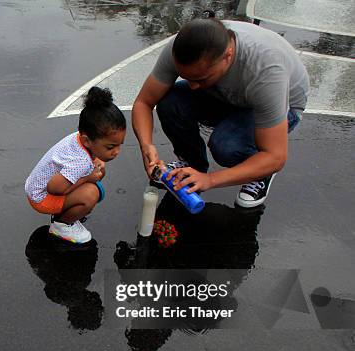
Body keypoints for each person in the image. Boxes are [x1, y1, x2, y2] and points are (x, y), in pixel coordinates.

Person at [132, 14, 309, 207]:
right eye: (186, 77)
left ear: (228, 55)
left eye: (201, 79)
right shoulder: (185, 46)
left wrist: (210, 180)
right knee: (170, 101)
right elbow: (144, 103)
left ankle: (261, 171)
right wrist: (146, 145)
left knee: (226, 147)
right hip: (229, 96)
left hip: (283, 106)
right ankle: (192, 166)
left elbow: (276, 156)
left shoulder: (265, 69)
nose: (192, 86)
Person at [25, 86, 126, 243]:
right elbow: (54, 188)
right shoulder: (80, 161)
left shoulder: (79, 139)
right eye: (110, 147)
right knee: (92, 194)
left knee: (97, 174)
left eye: (120, 144)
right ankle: (62, 225)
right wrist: (87, 179)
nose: (117, 152)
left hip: (37, 186)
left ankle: (65, 211)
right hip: (41, 197)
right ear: (87, 140)